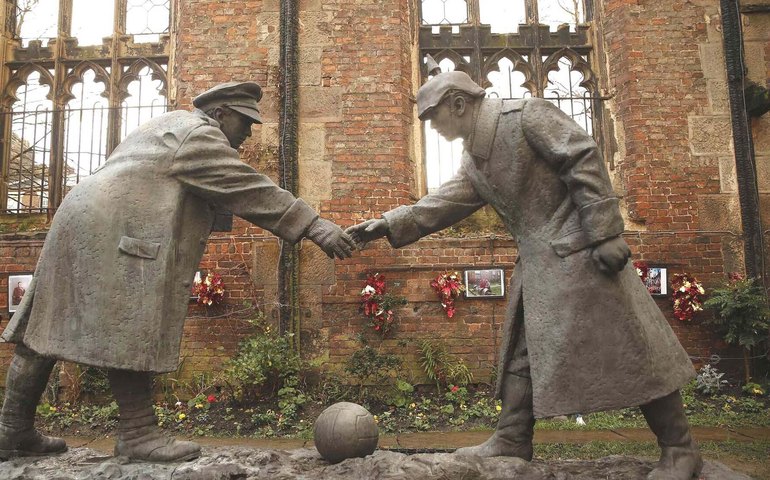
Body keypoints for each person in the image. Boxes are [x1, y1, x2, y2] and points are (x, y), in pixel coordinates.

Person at [346, 70, 701, 480]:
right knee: (523, 350)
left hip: (582, 254)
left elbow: (581, 153)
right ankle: (513, 437)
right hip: (538, 262)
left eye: (433, 117)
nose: (432, 127)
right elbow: (448, 201)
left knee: (632, 346)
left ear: (458, 104)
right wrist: (389, 223)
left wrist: (605, 232)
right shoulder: (474, 158)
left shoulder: (526, 115)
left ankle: (679, 448)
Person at [0, 81, 356, 463]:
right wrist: (315, 225)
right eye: (245, 122)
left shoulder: (172, 126)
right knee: (131, 324)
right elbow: (249, 188)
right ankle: (136, 433)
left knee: (44, 328)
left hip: (80, 222)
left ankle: (10, 429)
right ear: (220, 114)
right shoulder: (199, 135)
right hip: (113, 228)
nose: (250, 132)